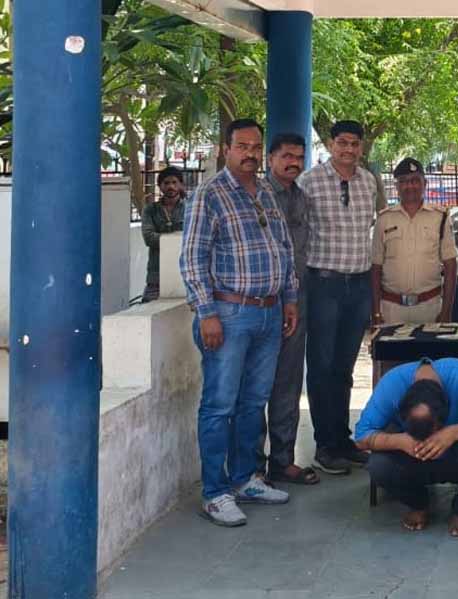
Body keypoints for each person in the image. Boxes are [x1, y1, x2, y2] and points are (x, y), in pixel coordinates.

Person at [180, 118, 299, 526]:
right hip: (228, 314)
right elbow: (192, 258)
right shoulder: (209, 195)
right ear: (225, 149)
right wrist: (206, 312)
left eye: (255, 146)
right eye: (242, 146)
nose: (250, 153)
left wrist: (289, 298)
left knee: (253, 402)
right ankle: (215, 493)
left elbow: (284, 248)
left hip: (269, 312)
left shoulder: (265, 191)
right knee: (219, 404)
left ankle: (246, 478)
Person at [298, 120, 378, 475]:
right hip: (323, 285)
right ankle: (324, 445)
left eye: (354, 143)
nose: (348, 149)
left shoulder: (369, 182)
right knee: (321, 366)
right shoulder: (310, 181)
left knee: (344, 368)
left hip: (358, 286)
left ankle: (342, 439)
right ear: (331, 145)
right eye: (342, 142)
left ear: (361, 147)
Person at [356, 357, 458, 537]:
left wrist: (457, 432)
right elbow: (361, 437)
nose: (428, 439)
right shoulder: (392, 384)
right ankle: (418, 503)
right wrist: (400, 441)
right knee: (378, 464)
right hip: (413, 457)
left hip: (457, 455)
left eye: (431, 431)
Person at [253, 133, 317, 485]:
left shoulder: (302, 198)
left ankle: (282, 460)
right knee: (255, 385)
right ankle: (252, 466)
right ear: (270, 158)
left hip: (297, 300)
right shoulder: (257, 196)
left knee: (288, 382)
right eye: (286, 156)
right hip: (262, 301)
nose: (293, 162)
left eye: (299, 157)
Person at [371, 157, 458, 327]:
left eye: (415, 180)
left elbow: (450, 265)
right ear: (396, 186)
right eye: (403, 181)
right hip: (391, 309)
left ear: (425, 183)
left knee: (429, 346)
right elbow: (375, 268)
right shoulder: (384, 219)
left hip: (430, 308)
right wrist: (376, 312)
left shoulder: (440, 217)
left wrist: (446, 311)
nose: (409, 186)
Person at [141, 166, 186, 302]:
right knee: (147, 308)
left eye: (174, 182)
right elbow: (149, 238)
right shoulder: (150, 210)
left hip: (184, 273)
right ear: (160, 186)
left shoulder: (190, 208)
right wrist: (177, 240)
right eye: (166, 183)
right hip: (156, 275)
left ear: (181, 185)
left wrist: (165, 239)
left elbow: (194, 238)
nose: (171, 186)